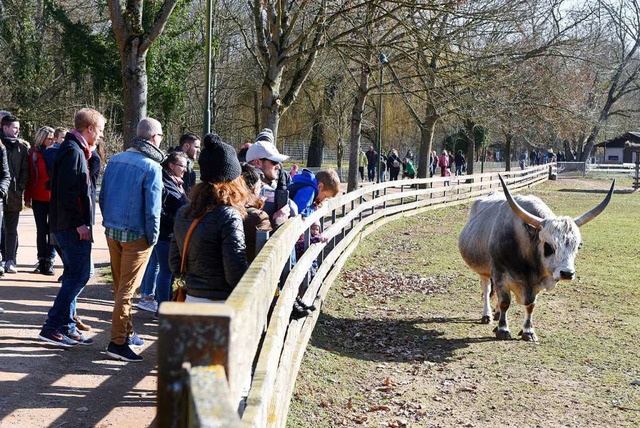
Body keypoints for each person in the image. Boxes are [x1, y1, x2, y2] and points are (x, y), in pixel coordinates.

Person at [38, 108, 105, 347]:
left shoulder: (76, 150)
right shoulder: (73, 151)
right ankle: (53, 325)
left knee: (72, 275)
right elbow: (68, 193)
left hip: (67, 225)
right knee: (81, 273)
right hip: (70, 226)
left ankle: (66, 325)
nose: (100, 136)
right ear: (89, 129)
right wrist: (79, 224)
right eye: (99, 131)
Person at [100, 117, 164, 362]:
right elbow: (152, 210)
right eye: (160, 136)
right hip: (137, 235)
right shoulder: (152, 167)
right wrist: (153, 238)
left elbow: (103, 197)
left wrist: (109, 223)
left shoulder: (115, 160)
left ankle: (126, 333)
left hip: (113, 231)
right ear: (153, 137)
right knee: (126, 291)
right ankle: (117, 342)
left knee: (120, 286)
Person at [169, 133, 249, 302]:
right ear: (234, 179)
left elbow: (175, 264)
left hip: (191, 299)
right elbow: (235, 274)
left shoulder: (184, 212)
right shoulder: (229, 216)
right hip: (221, 304)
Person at [138, 151, 190, 314]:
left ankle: (159, 303)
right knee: (166, 272)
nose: (185, 169)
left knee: (162, 268)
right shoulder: (163, 183)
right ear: (171, 165)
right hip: (164, 234)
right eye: (182, 166)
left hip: (169, 233)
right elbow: (158, 210)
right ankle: (162, 308)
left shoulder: (176, 182)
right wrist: (176, 219)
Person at [25, 126, 57, 275]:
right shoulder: (33, 154)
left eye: (53, 138)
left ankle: (50, 260)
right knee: (41, 230)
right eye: (49, 138)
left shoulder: (57, 152)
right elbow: (30, 176)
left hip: (54, 197)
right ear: (41, 138)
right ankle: (41, 259)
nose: (52, 140)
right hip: (38, 196)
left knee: (52, 230)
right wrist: (27, 197)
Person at [1, 115, 30, 273]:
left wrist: (20, 187)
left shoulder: (22, 147)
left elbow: (26, 170)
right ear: (5, 128)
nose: (17, 131)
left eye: (18, 128)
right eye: (14, 127)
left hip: (14, 195)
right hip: (0, 194)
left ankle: (10, 260)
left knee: (11, 229)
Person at [241, 163, 272, 262]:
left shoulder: (216, 209)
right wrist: (280, 221)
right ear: (254, 189)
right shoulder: (258, 217)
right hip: (248, 273)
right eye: (260, 185)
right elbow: (269, 250)